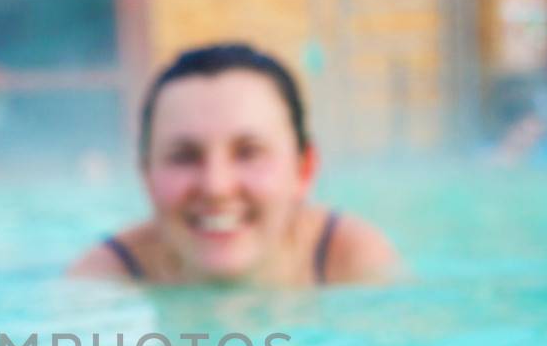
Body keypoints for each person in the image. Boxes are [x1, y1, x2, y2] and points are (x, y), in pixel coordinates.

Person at [71, 43, 400, 286]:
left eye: (249, 152)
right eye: (184, 156)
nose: (216, 187)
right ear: (145, 174)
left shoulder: (350, 262)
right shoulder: (105, 278)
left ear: (304, 170)